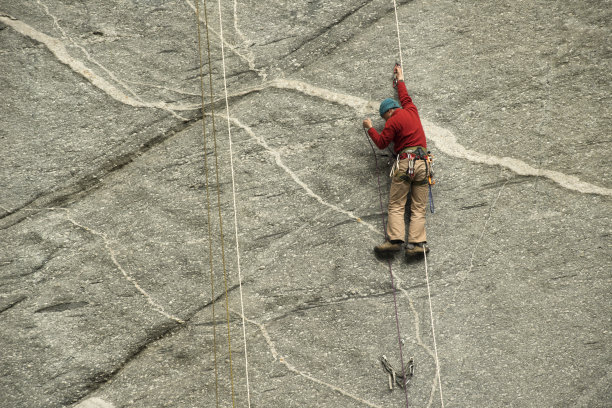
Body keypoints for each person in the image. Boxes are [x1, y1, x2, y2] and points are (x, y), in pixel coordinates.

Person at [362, 65, 430, 256]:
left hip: (406, 164)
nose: (385, 121)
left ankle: (395, 240)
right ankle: (417, 245)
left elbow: (382, 143)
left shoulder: (393, 121)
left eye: (384, 118)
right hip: (424, 164)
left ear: (389, 112)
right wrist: (400, 78)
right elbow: (405, 96)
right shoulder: (411, 109)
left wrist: (370, 128)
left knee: (397, 204)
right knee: (418, 206)